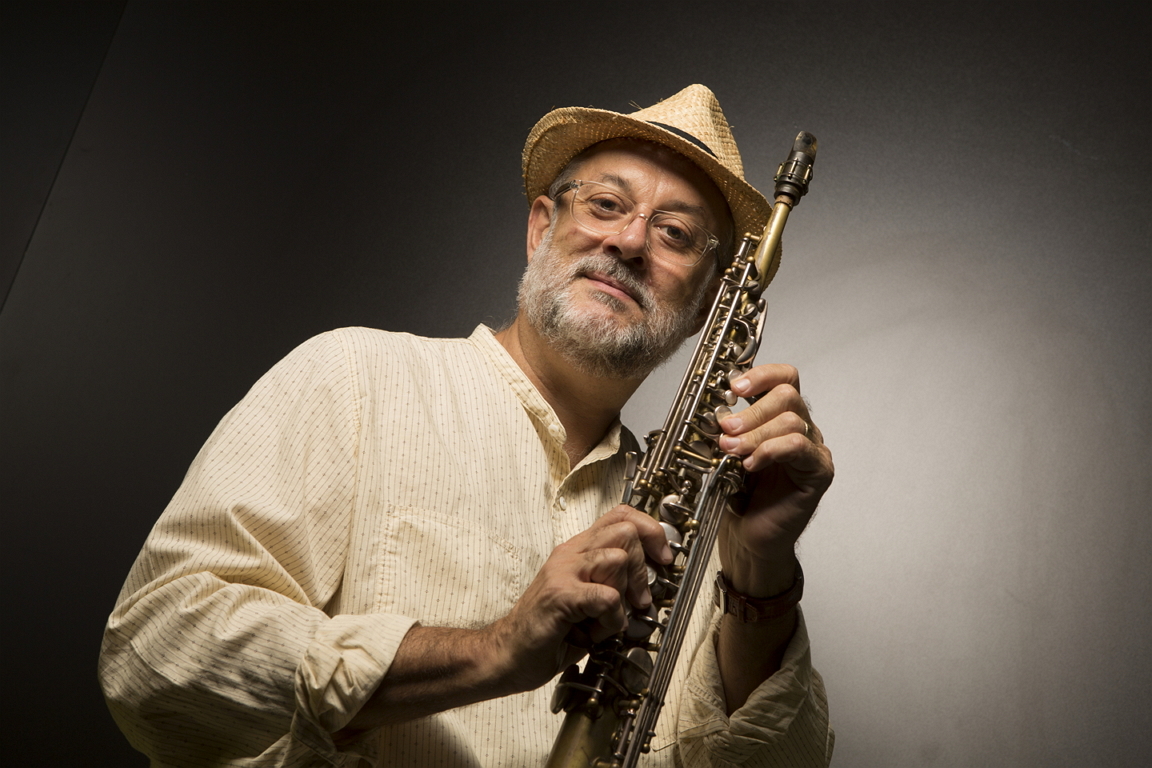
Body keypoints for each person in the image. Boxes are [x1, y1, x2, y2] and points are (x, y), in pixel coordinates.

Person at [100, 84, 835, 767]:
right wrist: (492, 651)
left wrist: (761, 573)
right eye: (607, 204)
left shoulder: (698, 528)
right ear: (541, 228)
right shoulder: (351, 376)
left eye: (675, 233)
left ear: (707, 306)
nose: (631, 241)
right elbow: (155, 648)